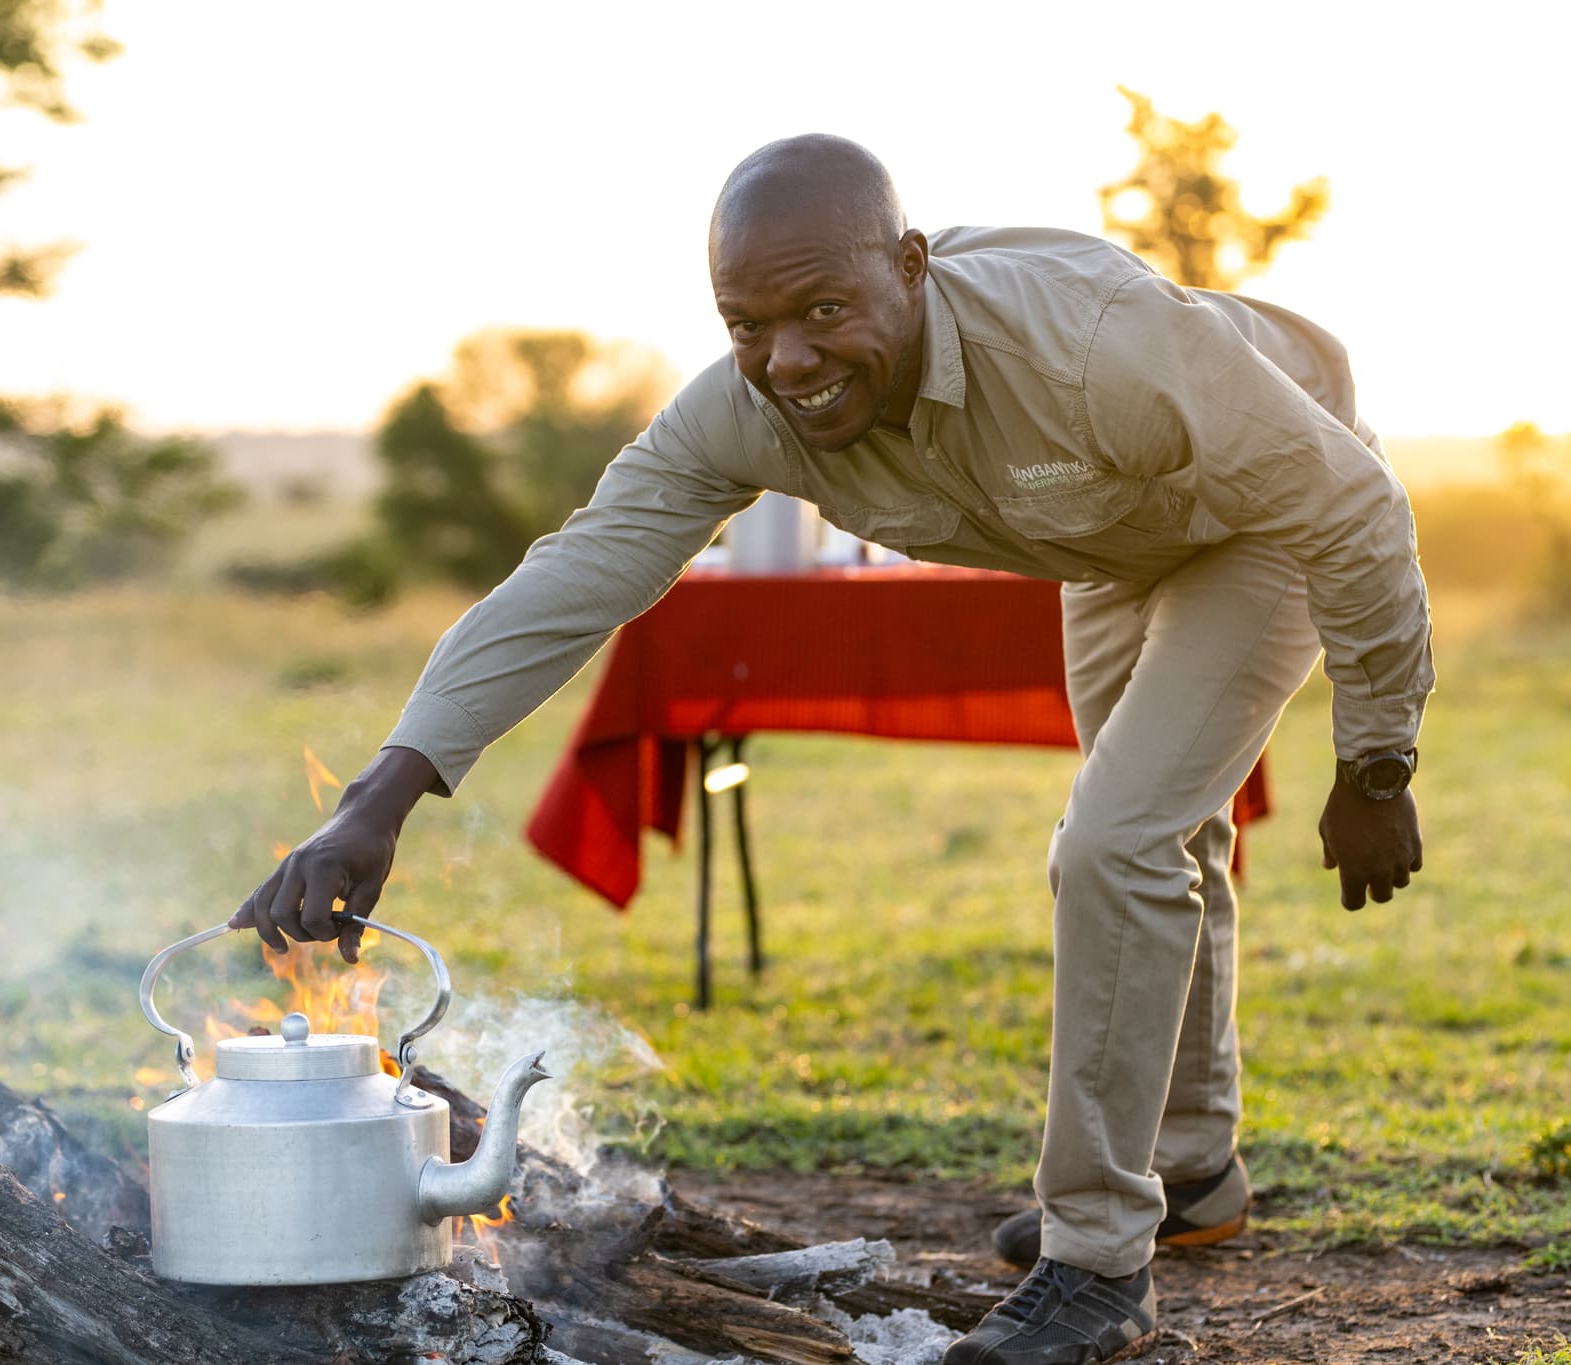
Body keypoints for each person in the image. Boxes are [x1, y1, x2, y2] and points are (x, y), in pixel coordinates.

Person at [232, 133, 1431, 1365]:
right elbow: (580, 573)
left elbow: (1346, 505)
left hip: (1268, 512)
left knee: (1113, 841)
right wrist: (381, 795)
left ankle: (1094, 1266)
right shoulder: (741, 409)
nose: (787, 360)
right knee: (1163, 828)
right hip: (1118, 538)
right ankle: (1187, 1172)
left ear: (908, 267)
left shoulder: (1090, 347)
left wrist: (1373, 758)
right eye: (747, 324)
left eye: (821, 311)